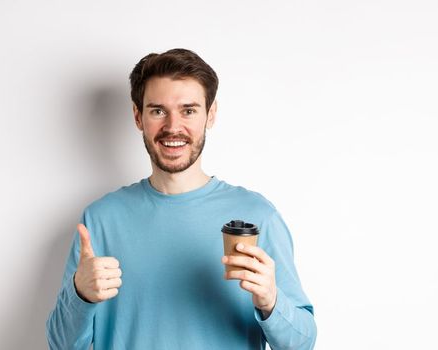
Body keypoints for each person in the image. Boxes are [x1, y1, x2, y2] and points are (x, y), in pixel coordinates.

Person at [46, 48, 316, 349]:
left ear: (210, 115)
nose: (173, 127)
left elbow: (301, 343)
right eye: (158, 110)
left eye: (188, 110)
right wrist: (80, 295)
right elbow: (60, 345)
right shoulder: (100, 220)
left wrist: (271, 301)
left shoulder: (258, 217)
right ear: (138, 116)